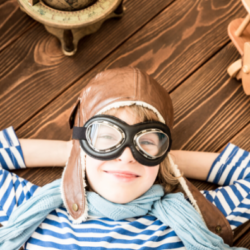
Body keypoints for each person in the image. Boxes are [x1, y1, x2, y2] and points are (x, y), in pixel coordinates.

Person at [0, 67, 249, 250]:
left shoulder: (193, 215)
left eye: (148, 142)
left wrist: (166, 161)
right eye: (106, 138)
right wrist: (75, 151)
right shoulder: (37, 208)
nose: (127, 156)